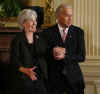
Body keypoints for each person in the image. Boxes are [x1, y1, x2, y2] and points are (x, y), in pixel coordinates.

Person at [44, 4, 86, 94]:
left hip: (74, 80)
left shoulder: (78, 32)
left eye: (71, 15)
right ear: (58, 16)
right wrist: (52, 52)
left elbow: (82, 56)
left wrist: (65, 53)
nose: (70, 18)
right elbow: (43, 53)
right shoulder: (47, 32)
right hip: (54, 81)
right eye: (67, 15)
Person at [7, 9, 48, 94]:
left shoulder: (39, 38)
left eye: (35, 20)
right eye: (32, 21)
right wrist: (27, 71)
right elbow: (14, 61)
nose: (35, 23)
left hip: (39, 77)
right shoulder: (17, 40)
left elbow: (45, 54)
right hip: (23, 77)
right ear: (23, 23)